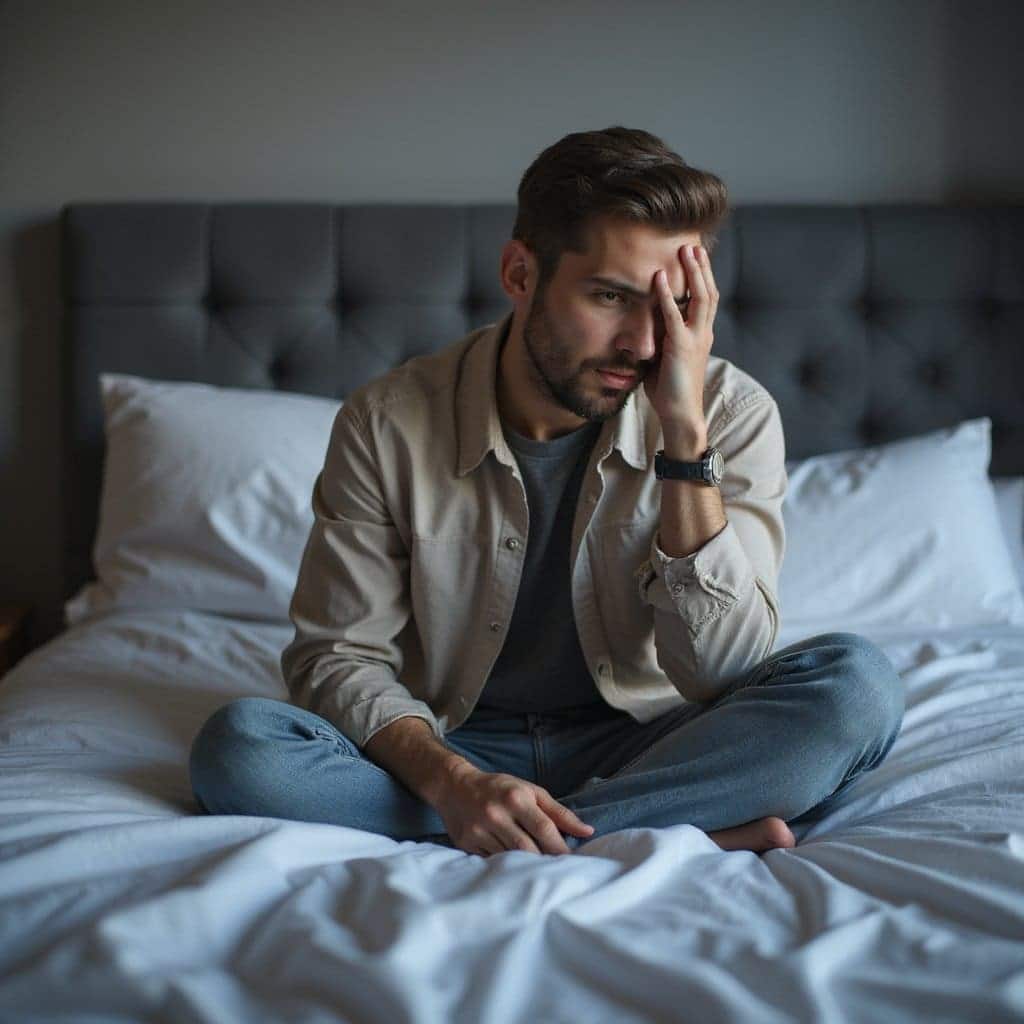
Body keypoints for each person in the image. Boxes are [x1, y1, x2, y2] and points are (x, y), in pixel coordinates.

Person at [189, 126, 904, 858]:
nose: (644, 343)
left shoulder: (727, 415)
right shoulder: (387, 422)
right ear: (520, 273)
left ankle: (518, 830)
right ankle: (654, 824)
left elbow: (720, 671)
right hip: (453, 741)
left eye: (676, 304)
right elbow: (338, 657)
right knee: (241, 749)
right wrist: (456, 783)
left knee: (858, 689)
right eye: (611, 296)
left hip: (651, 741)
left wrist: (685, 441)